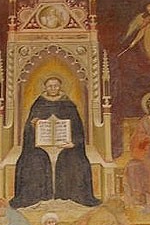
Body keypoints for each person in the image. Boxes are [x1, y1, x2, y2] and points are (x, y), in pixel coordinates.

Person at [11, 77, 99, 208]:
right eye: (50, 86)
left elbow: (78, 128)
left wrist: (73, 143)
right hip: (40, 145)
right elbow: (28, 129)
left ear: (60, 87)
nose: (53, 88)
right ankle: (38, 196)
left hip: (66, 145)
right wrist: (33, 125)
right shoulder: (39, 103)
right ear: (45, 87)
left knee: (75, 160)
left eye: (56, 86)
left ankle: (70, 196)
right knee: (32, 161)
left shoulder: (68, 104)